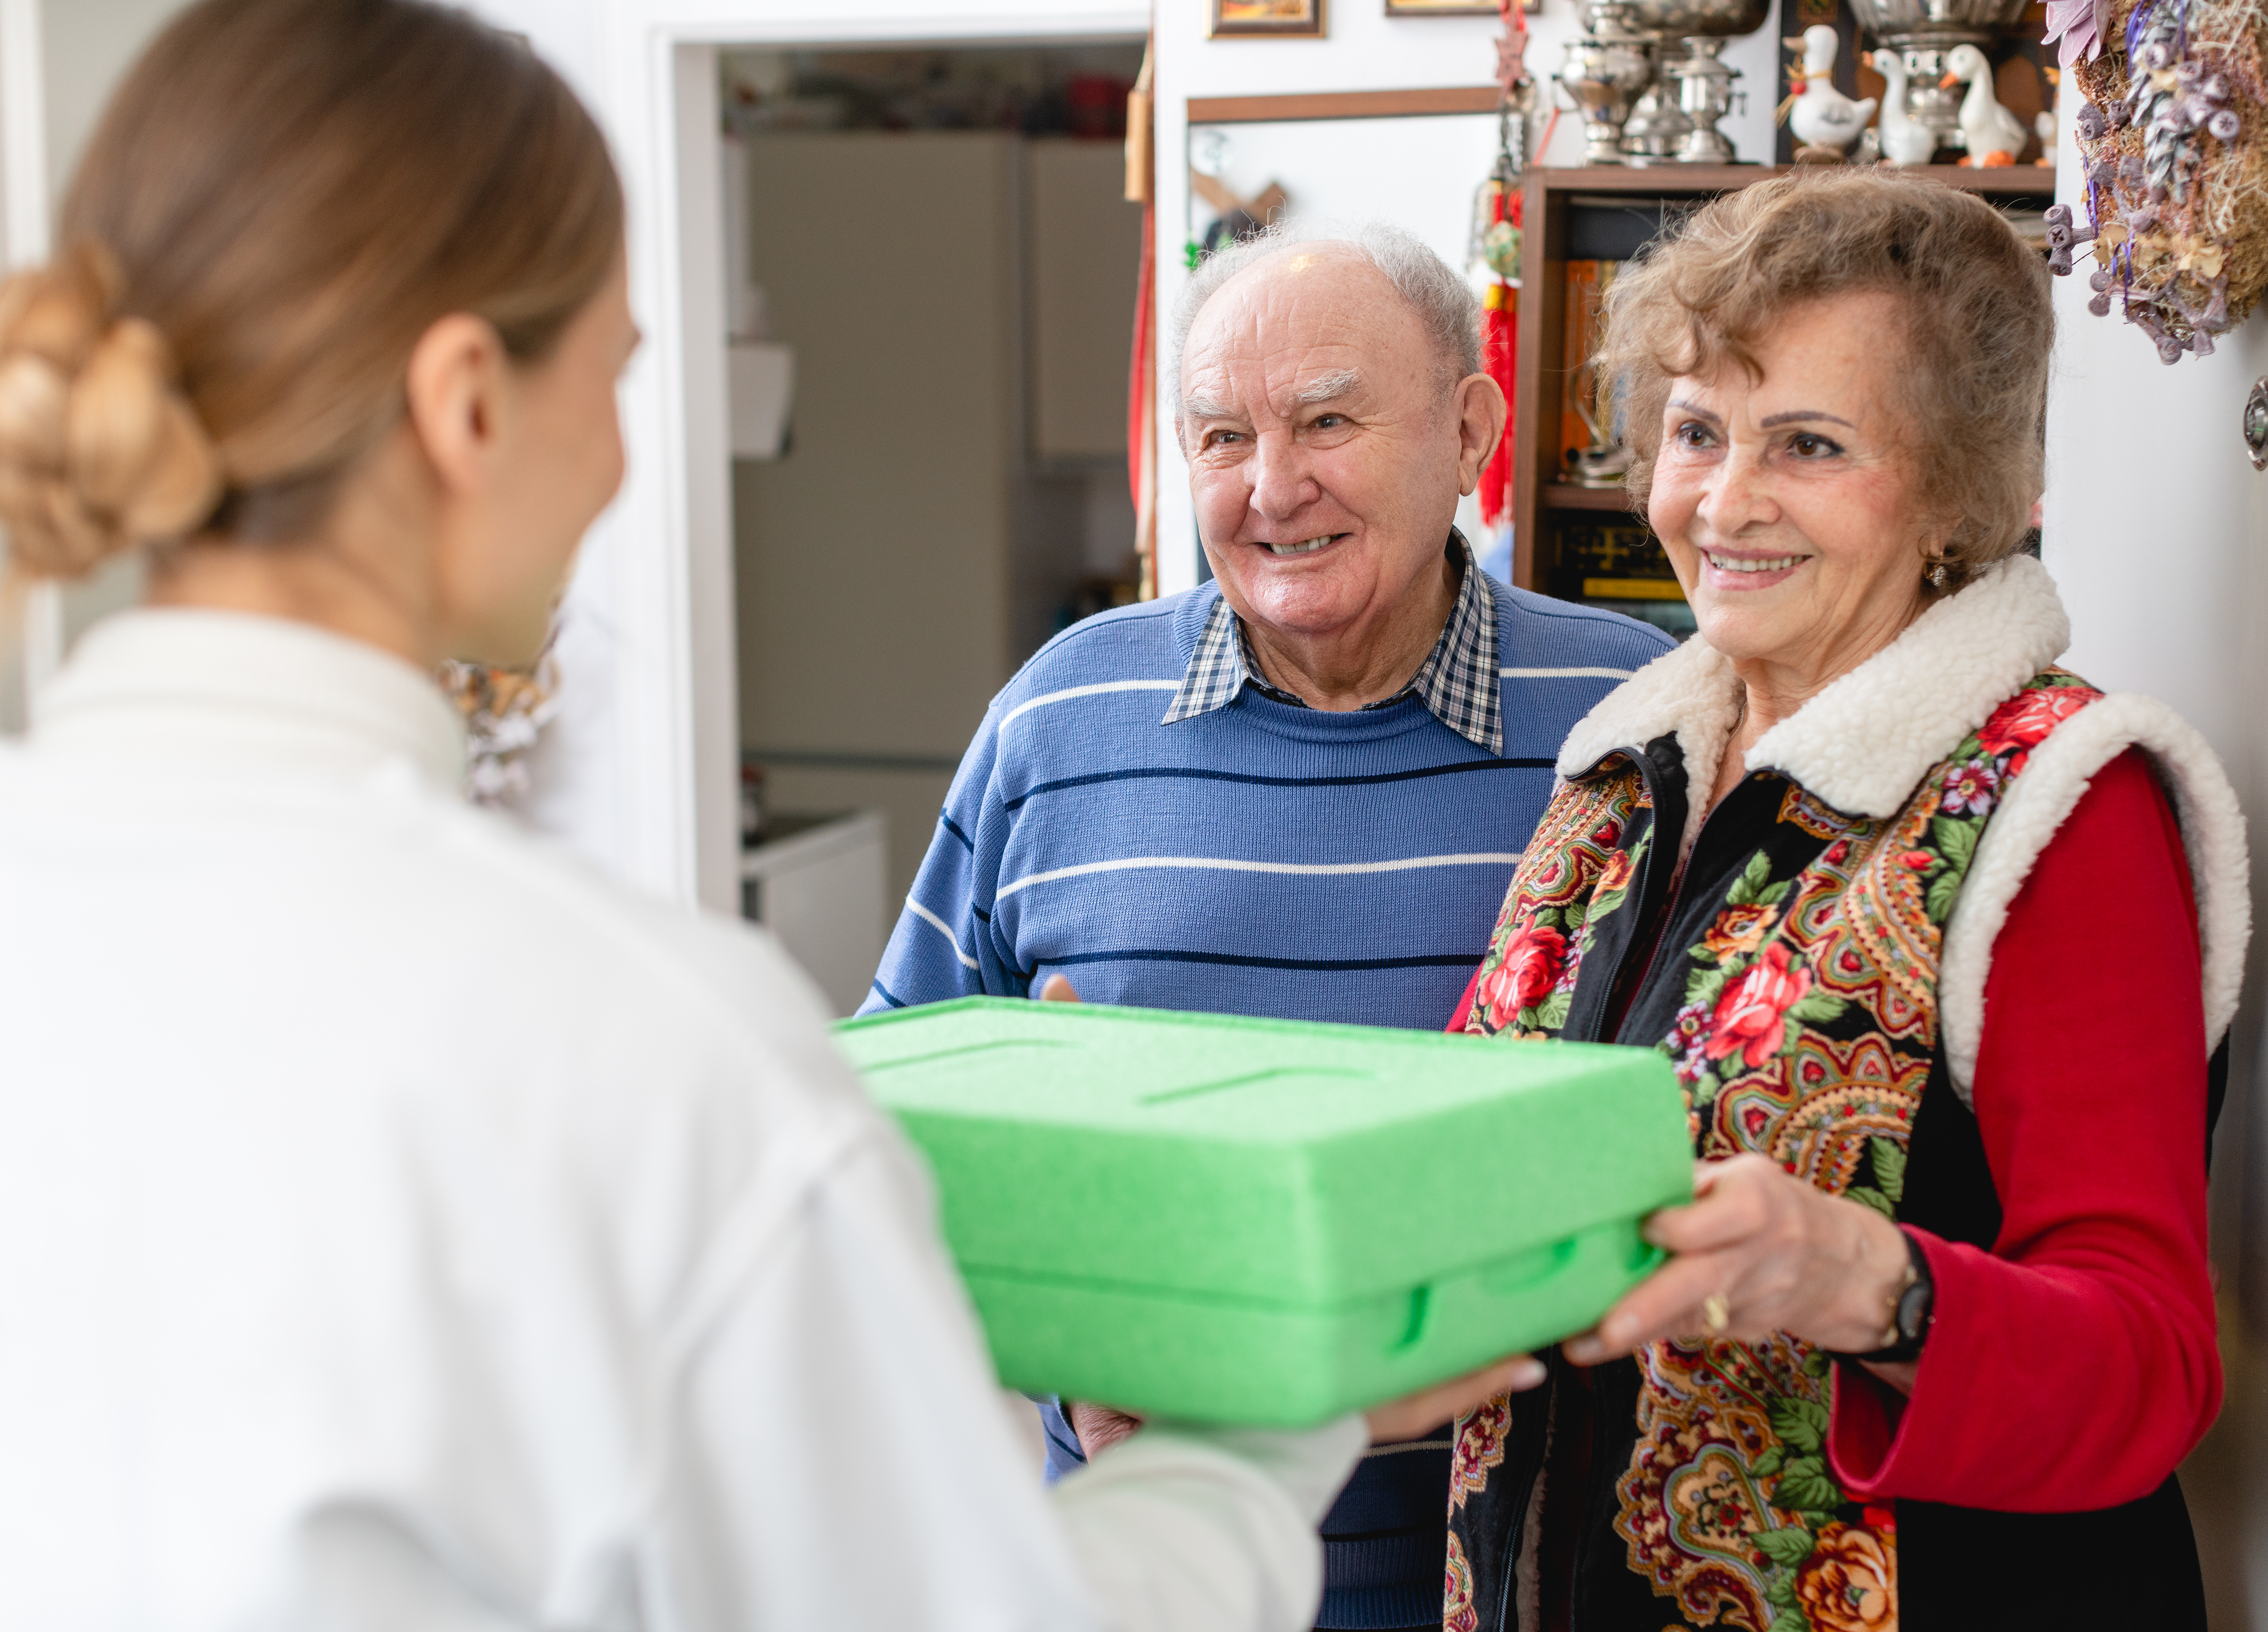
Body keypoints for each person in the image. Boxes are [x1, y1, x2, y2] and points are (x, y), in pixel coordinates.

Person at [0, 4, 1536, 1628]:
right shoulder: (630, 1036)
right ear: (466, 404)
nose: (614, 462)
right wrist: (1260, 1418)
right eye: (616, 375)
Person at [1440, 171, 2248, 1632]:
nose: (1726, 499)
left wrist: (1857, 1274)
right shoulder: (1619, 781)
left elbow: (2152, 1366)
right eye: (1696, 432)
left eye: (1808, 444)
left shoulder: (2062, 801)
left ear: (1954, 487)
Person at [863, 220, 1675, 1629]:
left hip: (1535, 1581)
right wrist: (1068, 1336)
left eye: (1328, 421)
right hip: (1142, 1576)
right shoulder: (1060, 715)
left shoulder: (1635, 717)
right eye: (1222, 436)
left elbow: (1709, 1114)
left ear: (1470, 426)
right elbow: (884, 1131)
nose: (1272, 487)